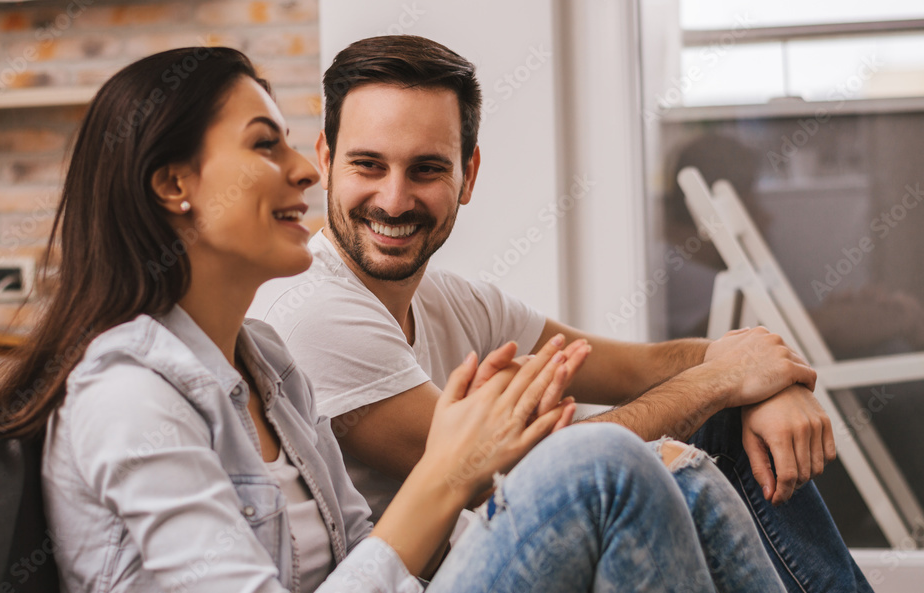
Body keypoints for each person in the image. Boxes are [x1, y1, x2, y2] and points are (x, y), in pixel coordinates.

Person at [0, 47, 790, 592]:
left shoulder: (262, 361)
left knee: (670, 467)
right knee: (601, 459)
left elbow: (363, 554)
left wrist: (751, 370)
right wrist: (452, 473)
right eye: (268, 144)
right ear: (173, 183)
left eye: (426, 168)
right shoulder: (128, 398)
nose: (306, 171)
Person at [249, 35, 874, 592]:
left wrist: (758, 373)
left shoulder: (454, 299)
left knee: (715, 418)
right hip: (436, 577)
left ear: (467, 174)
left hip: (489, 553)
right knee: (652, 465)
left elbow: (639, 370)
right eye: (368, 164)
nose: (394, 197)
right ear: (326, 160)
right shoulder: (312, 310)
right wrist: (725, 378)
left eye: (427, 169)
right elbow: (536, 471)